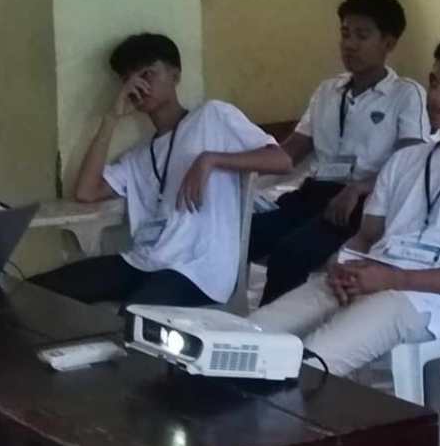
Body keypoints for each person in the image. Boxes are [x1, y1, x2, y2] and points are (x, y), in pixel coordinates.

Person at [253, 35, 440, 378]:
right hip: (371, 277)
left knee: (309, 363)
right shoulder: (407, 160)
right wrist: (341, 265)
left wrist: (394, 278)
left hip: (424, 299)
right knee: (252, 334)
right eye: (433, 82)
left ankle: (286, 409)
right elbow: (366, 236)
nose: (435, 95)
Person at [32, 33, 291, 310]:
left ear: (175, 75)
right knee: (36, 292)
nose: (140, 86)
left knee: (132, 319)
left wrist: (210, 159)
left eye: (148, 74)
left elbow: (282, 160)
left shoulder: (212, 116)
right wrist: (111, 118)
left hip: (197, 270)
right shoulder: (139, 156)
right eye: (129, 80)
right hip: (145, 261)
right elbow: (86, 192)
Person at [249, 0, 428, 304]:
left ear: (389, 43)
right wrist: (235, 164)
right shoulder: (327, 90)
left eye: (362, 35)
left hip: (362, 204)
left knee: (290, 253)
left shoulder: (406, 94)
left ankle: (271, 330)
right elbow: (291, 151)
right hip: (314, 194)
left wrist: (358, 188)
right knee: (243, 236)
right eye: (345, 34)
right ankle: (216, 319)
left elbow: (410, 160)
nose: (350, 44)